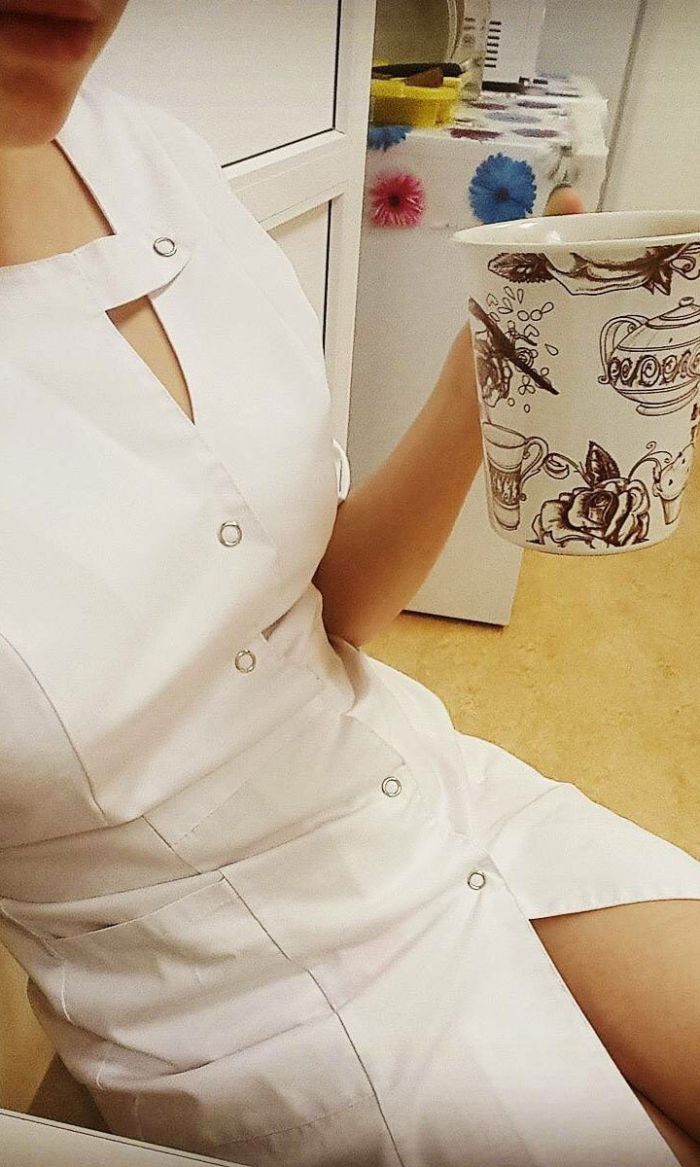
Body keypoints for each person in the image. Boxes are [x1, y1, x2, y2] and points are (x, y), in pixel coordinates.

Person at [0, 3, 698, 1166]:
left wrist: (495, 365)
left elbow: (336, 604)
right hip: (231, 984)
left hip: (420, 787)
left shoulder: (157, 158)